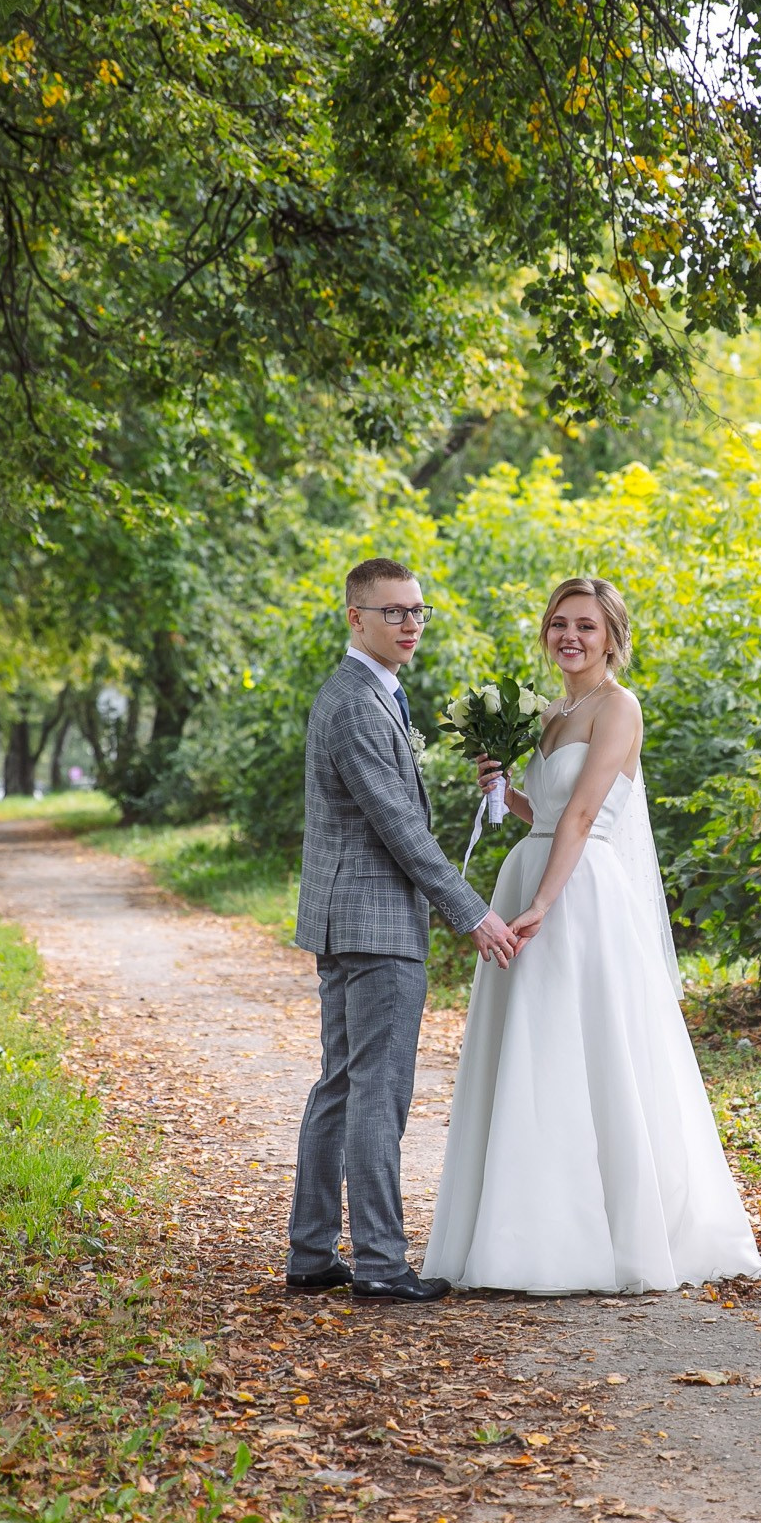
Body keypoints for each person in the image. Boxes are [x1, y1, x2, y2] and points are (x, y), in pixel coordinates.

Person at [422, 577, 761, 1295]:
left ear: (612, 636)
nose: (569, 635)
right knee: (530, 1048)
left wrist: (544, 901)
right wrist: (501, 791)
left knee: (581, 1047)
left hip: (578, 894)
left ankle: (604, 1232)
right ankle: (519, 1230)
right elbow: (545, 812)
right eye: (558, 623)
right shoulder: (552, 711)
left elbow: (583, 817)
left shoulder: (618, 707)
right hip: (534, 871)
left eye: (585, 625)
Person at [289, 557, 520, 1306]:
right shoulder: (356, 701)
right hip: (376, 924)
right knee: (375, 1093)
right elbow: (397, 826)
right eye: (393, 611)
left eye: (418, 610)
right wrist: (473, 911)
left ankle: (312, 1251)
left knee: (342, 1084)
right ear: (355, 617)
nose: (410, 623)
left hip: (349, 918)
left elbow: (390, 814)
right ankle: (383, 1264)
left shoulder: (371, 692)